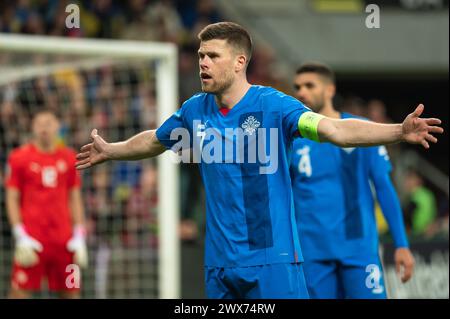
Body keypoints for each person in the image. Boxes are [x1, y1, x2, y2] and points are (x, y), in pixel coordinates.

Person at [75, 22, 443, 299]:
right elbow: (155, 141)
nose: (202, 62)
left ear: (239, 62)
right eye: (201, 55)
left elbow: (334, 130)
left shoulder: (274, 105)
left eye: (212, 56)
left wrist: (398, 131)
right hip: (219, 264)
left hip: (274, 262)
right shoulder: (194, 111)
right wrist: (112, 150)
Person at [290, 62, 417, 299]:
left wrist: (401, 243)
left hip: (358, 248)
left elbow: (383, 187)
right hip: (312, 251)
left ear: (329, 90)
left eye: (309, 85)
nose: (301, 92)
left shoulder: (363, 131)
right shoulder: (292, 139)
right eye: (297, 86)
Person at [5, 109, 88, 299]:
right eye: (40, 123)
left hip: (64, 241)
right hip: (32, 240)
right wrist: (19, 234)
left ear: (58, 127)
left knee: (71, 293)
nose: (44, 128)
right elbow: (12, 197)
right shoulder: (18, 157)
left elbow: (75, 197)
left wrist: (79, 234)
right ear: (32, 127)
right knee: (18, 292)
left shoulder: (69, 157)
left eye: (49, 123)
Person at [403, 168, 438, 236]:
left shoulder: (418, 195)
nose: (406, 182)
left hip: (419, 234)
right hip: (426, 233)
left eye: (409, 179)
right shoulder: (428, 194)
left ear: (418, 180)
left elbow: (408, 215)